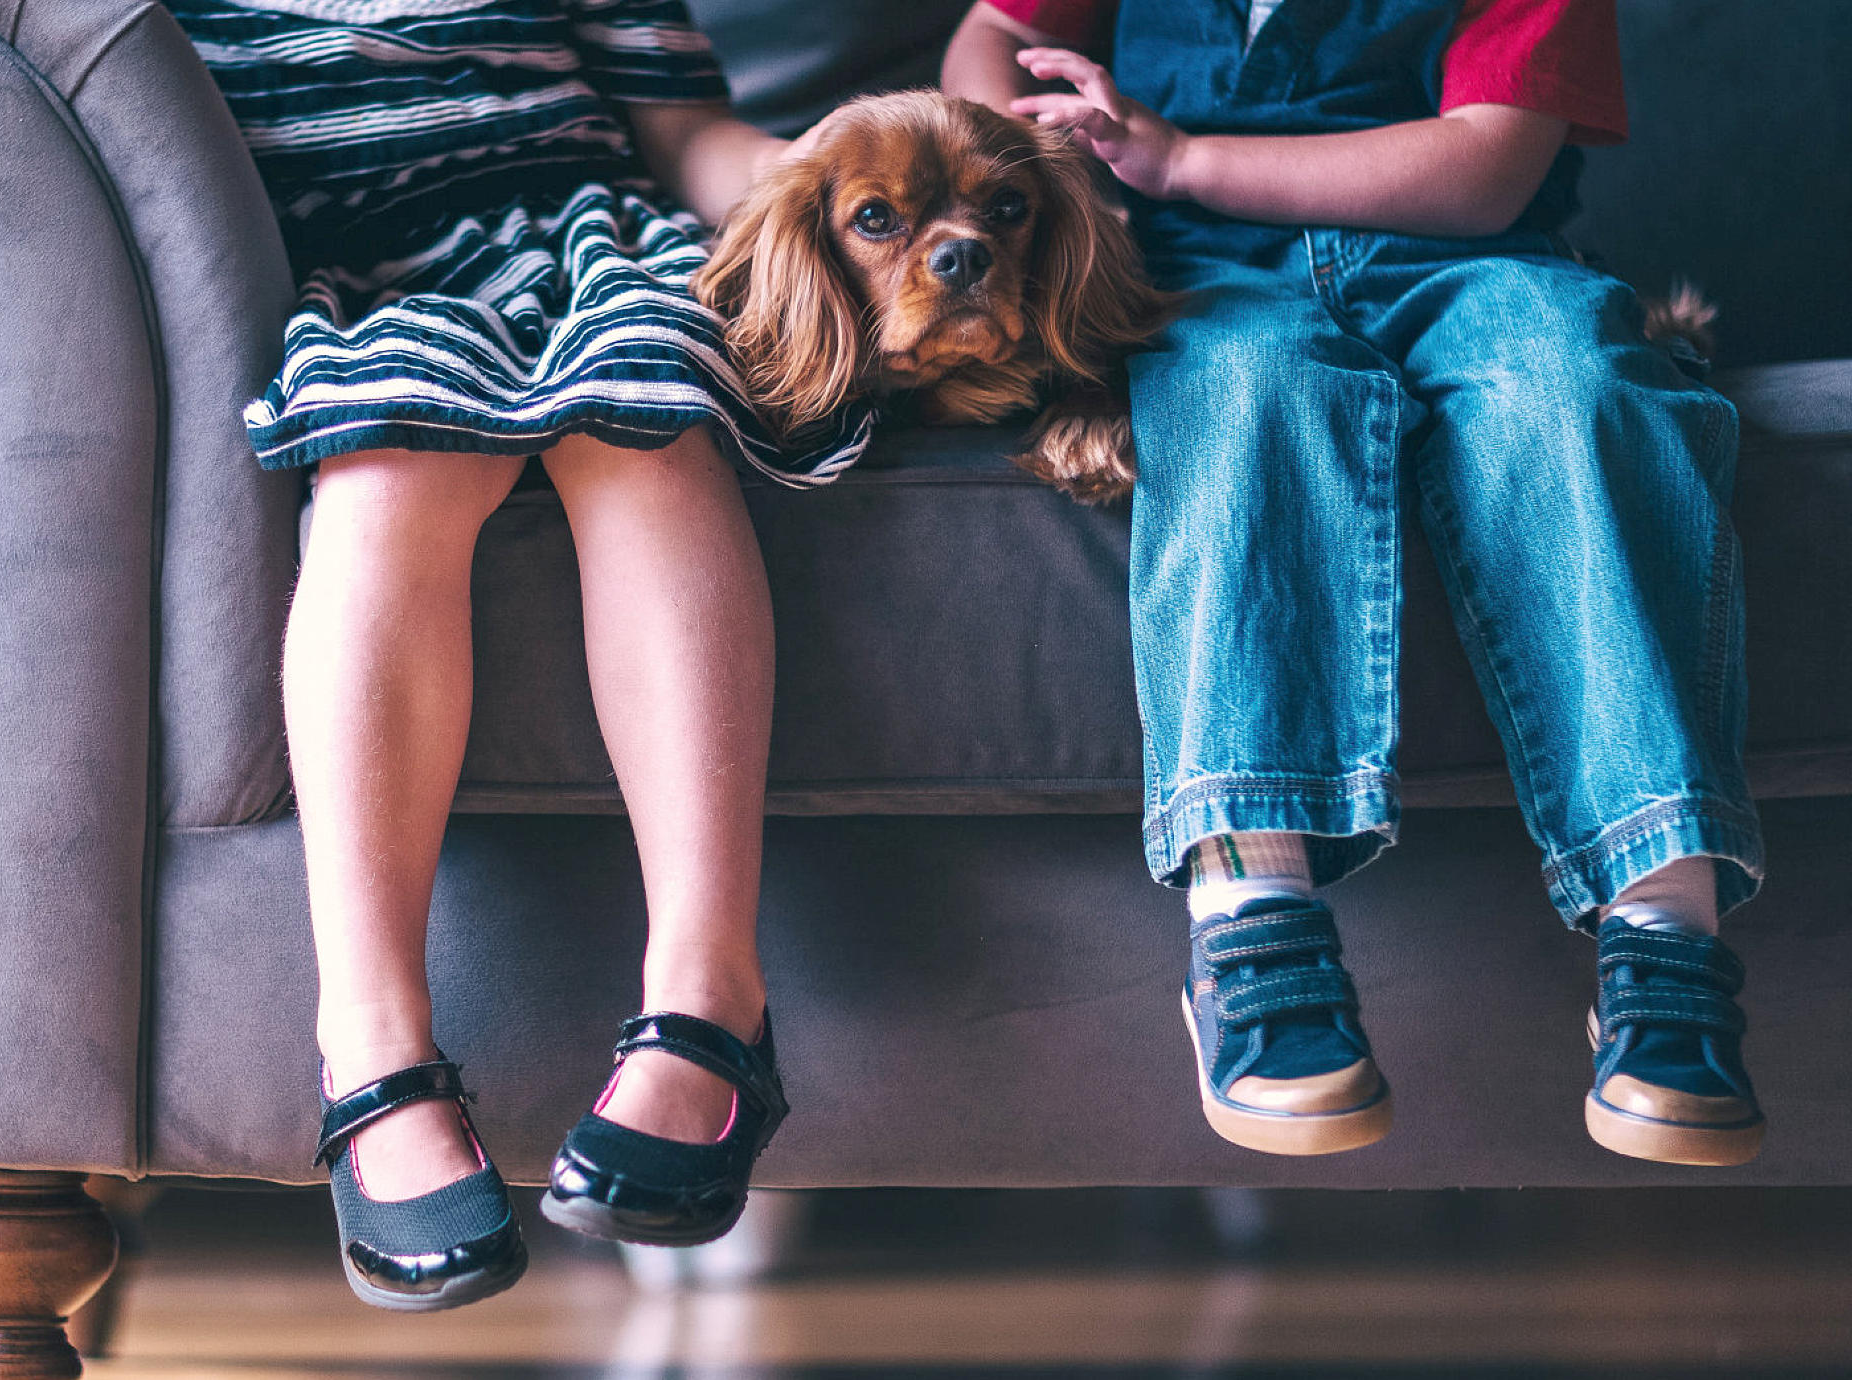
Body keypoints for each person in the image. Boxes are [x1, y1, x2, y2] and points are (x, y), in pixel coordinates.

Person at [944, 0, 1766, 1166]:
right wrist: (1029, 175)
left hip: (1473, 262)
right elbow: (990, 31)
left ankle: (1663, 918)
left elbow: (1486, 168)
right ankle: (1251, 906)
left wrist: (1181, 160)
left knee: (1579, 399)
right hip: (1207, 278)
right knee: (1245, 400)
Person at [165, 0, 850, 1311]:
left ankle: (709, 994)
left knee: (643, 424)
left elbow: (686, 131)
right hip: (366, 261)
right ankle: (372, 1047)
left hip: (592, 231)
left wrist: (832, 181)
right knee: (383, 471)